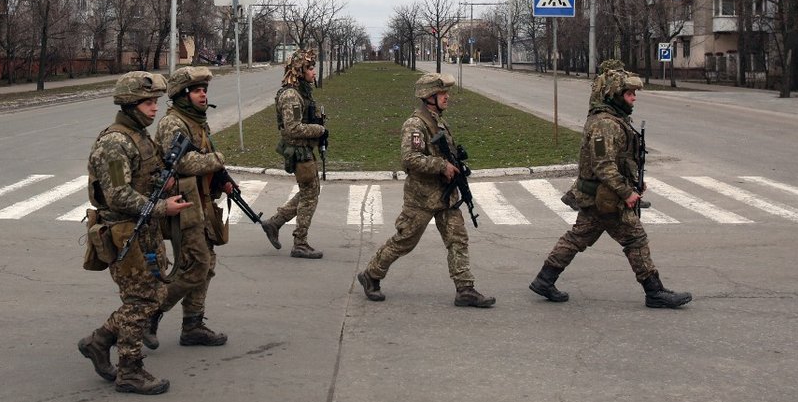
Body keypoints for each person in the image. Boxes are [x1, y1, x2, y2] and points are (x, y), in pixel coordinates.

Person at [528, 66, 692, 309]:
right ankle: (654, 292)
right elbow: (603, 165)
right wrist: (626, 192)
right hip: (604, 198)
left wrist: (634, 182)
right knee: (635, 238)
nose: (634, 98)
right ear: (614, 95)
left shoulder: (613, 121)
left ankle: (544, 279)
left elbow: (618, 161)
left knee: (577, 238)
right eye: (629, 94)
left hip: (599, 196)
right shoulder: (605, 124)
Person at [78, 71, 191, 395]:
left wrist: (163, 183)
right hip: (125, 233)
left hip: (144, 230)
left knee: (151, 296)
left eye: (155, 101)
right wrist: (160, 208)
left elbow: (143, 179)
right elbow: (118, 194)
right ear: (129, 104)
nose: (154, 108)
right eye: (147, 102)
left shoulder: (140, 136)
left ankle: (99, 342)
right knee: (139, 301)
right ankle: (130, 371)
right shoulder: (115, 143)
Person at [357, 73, 495, 308]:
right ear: (428, 96)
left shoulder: (438, 120)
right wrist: (441, 165)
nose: (447, 97)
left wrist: (456, 166)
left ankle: (465, 289)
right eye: (442, 94)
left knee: (457, 238)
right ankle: (371, 274)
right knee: (405, 241)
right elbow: (410, 158)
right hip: (421, 196)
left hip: (445, 194)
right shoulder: (416, 124)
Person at [142, 66, 236, 351]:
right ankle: (149, 315)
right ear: (183, 95)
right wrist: (217, 160)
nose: (203, 95)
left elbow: (201, 156)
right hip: (183, 205)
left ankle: (193, 325)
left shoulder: (196, 121)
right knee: (196, 266)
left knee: (206, 265)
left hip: (203, 202)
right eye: (197, 90)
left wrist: (222, 178)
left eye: (204, 90)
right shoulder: (174, 123)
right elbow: (181, 163)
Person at [261, 48, 328, 259]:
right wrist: (319, 130)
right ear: (299, 70)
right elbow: (293, 128)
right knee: (310, 195)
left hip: (304, 149)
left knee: (309, 192)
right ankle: (300, 242)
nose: (314, 72)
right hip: (298, 151)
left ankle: (275, 222)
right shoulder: (291, 95)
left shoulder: (301, 92)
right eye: (310, 68)